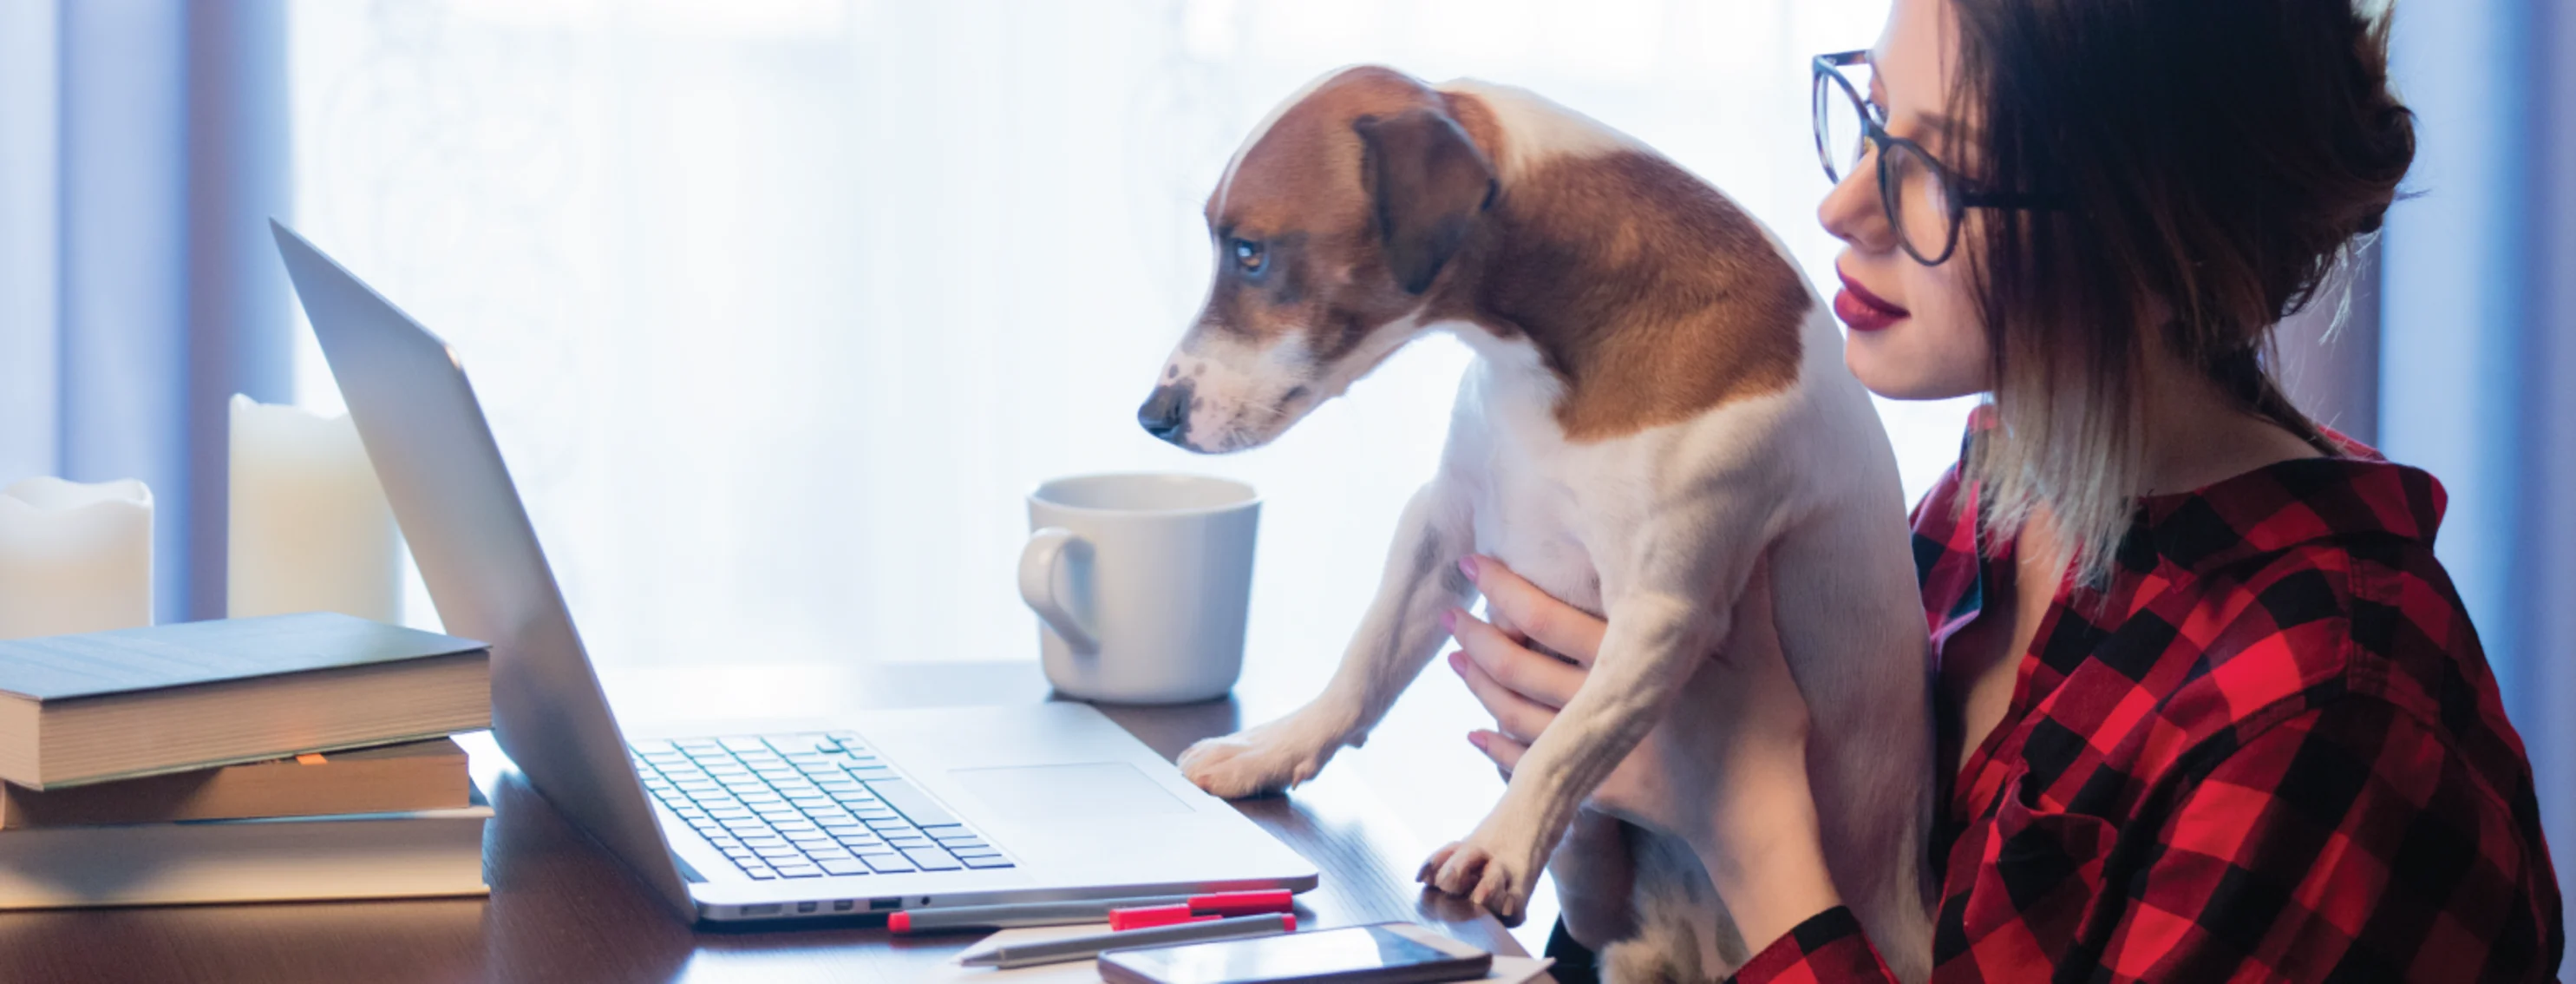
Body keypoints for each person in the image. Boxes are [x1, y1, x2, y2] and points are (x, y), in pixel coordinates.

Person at [1444, 0, 2566, 980]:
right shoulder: (1985, 502)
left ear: (2157, 242)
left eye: (1938, 169)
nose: (1846, 206)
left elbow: (1780, 863)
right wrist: (1605, 809)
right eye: (1872, 113)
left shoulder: (2331, 717)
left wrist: (1746, 810)